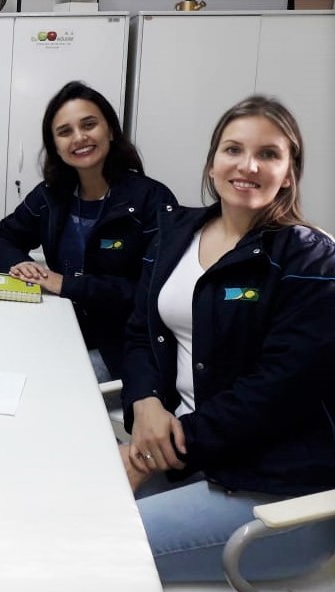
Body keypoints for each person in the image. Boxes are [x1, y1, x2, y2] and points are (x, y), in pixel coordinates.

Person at [120, 96, 335, 583]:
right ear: (212, 163)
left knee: (91, 542)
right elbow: (140, 333)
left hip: (276, 493)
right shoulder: (175, 233)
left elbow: (275, 394)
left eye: (268, 154)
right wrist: (145, 402)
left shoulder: (312, 260)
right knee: (63, 506)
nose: (248, 166)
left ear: (289, 172)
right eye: (233, 149)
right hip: (189, 456)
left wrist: (147, 454)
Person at [0, 81, 177, 381]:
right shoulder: (50, 195)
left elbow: (156, 291)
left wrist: (67, 284)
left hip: (121, 347)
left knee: (41, 383)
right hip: (59, 326)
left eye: (89, 125)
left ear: (110, 131)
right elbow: (2, 240)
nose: (79, 137)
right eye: (65, 132)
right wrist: (21, 263)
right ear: (55, 146)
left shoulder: (151, 199)